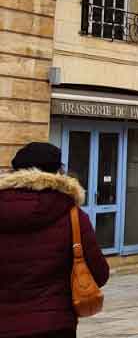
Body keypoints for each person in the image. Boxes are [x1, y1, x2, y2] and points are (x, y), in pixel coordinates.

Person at [0, 141, 110, 338]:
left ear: (14, 172)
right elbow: (99, 274)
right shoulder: (74, 216)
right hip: (54, 325)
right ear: (58, 172)